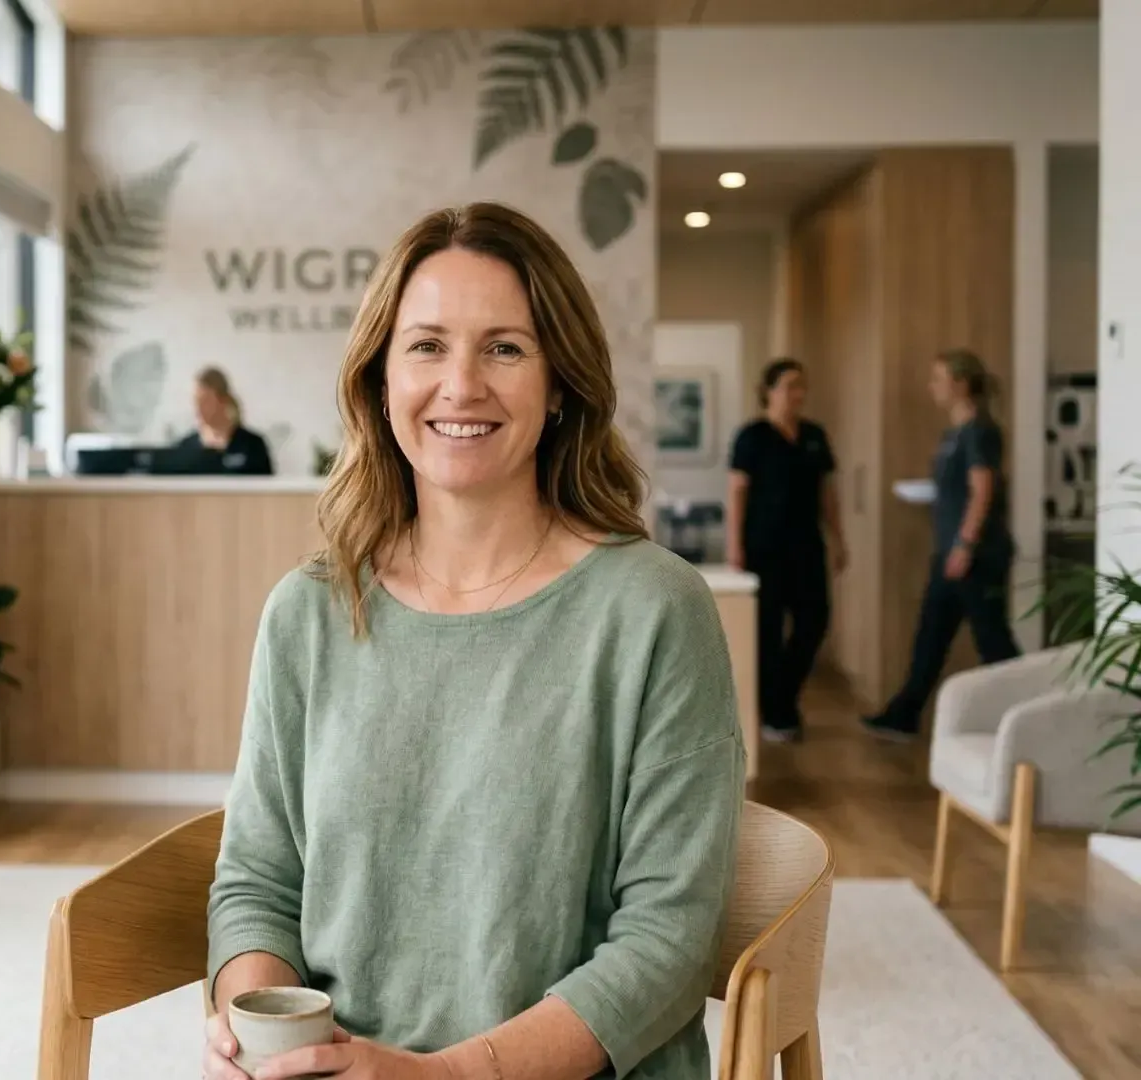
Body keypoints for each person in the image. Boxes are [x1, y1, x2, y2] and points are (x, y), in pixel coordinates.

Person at [203, 203, 744, 1080]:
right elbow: (258, 883)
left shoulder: (653, 608)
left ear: (560, 381)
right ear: (381, 380)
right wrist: (258, 1029)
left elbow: (669, 943)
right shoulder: (308, 613)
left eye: (504, 347)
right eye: (425, 346)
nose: (461, 385)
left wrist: (444, 1077)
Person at [863, 348, 1021, 741]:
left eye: (939, 378)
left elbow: (983, 490)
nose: (932, 386)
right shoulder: (955, 433)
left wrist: (965, 545)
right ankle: (904, 714)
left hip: (976, 555)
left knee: (993, 641)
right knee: (931, 635)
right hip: (950, 551)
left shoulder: (981, 431)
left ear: (961, 384)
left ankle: (1025, 713)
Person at [726, 358, 846, 744]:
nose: (799, 393)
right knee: (768, 631)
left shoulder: (814, 435)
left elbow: (827, 493)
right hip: (764, 547)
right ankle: (776, 713)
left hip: (807, 545)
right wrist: (734, 546)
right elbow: (737, 493)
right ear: (769, 390)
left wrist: (839, 538)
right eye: (791, 385)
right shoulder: (752, 436)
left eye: (802, 386)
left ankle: (781, 698)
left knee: (815, 621)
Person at [176, 366, 275, 475]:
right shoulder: (186, 447)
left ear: (223, 400)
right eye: (197, 401)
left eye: (206, 401)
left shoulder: (253, 445)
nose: (200, 408)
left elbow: (266, 489)